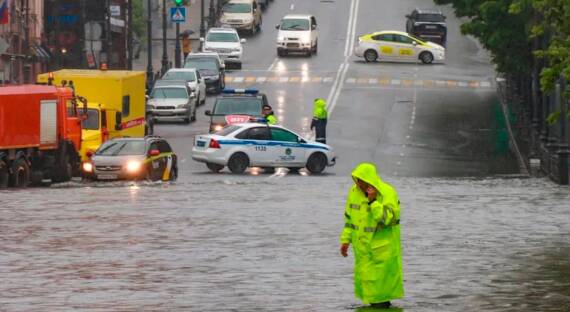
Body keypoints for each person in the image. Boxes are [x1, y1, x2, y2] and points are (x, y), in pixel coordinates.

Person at [340, 162, 404, 308]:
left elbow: (388, 219)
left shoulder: (387, 192)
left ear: (370, 180)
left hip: (382, 252)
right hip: (362, 252)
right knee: (369, 293)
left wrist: (373, 201)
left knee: (380, 295)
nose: (360, 184)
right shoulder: (354, 192)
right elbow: (350, 220)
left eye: (362, 181)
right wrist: (345, 240)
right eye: (357, 180)